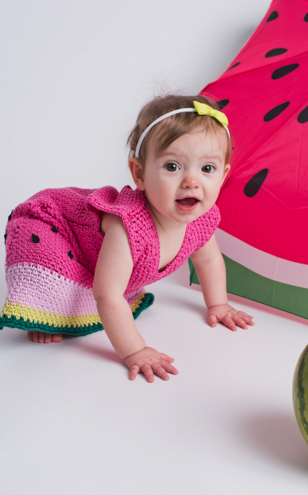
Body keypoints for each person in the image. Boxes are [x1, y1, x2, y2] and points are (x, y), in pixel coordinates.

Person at [0, 94, 254, 382]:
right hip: (54, 230)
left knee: (106, 283)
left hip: (91, 253)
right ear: (140, 174)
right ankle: (43, 308)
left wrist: (218, 304)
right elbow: (107, 294)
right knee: (58, 279)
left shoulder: (202, 219)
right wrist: (135, 351)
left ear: (223, 176)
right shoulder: (128, 226)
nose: (191, 181)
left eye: (207, 169)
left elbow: (208, 260)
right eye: (173, 166)